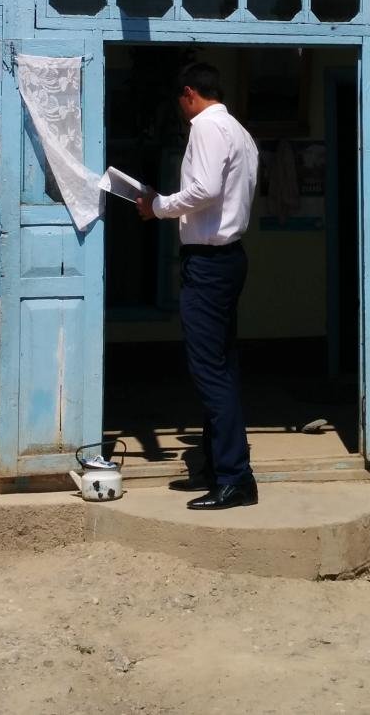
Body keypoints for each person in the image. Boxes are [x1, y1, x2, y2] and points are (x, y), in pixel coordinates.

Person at [135, 61, 260, 511]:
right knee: (220, 366)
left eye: (179, 100)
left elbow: (204, 189)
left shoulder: (206, 127)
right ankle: (215, 466)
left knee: (210, 370)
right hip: (227, 259)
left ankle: (234, 477)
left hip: (209, 262)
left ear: (188, 93)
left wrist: (159, 205)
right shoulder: (238, 130)